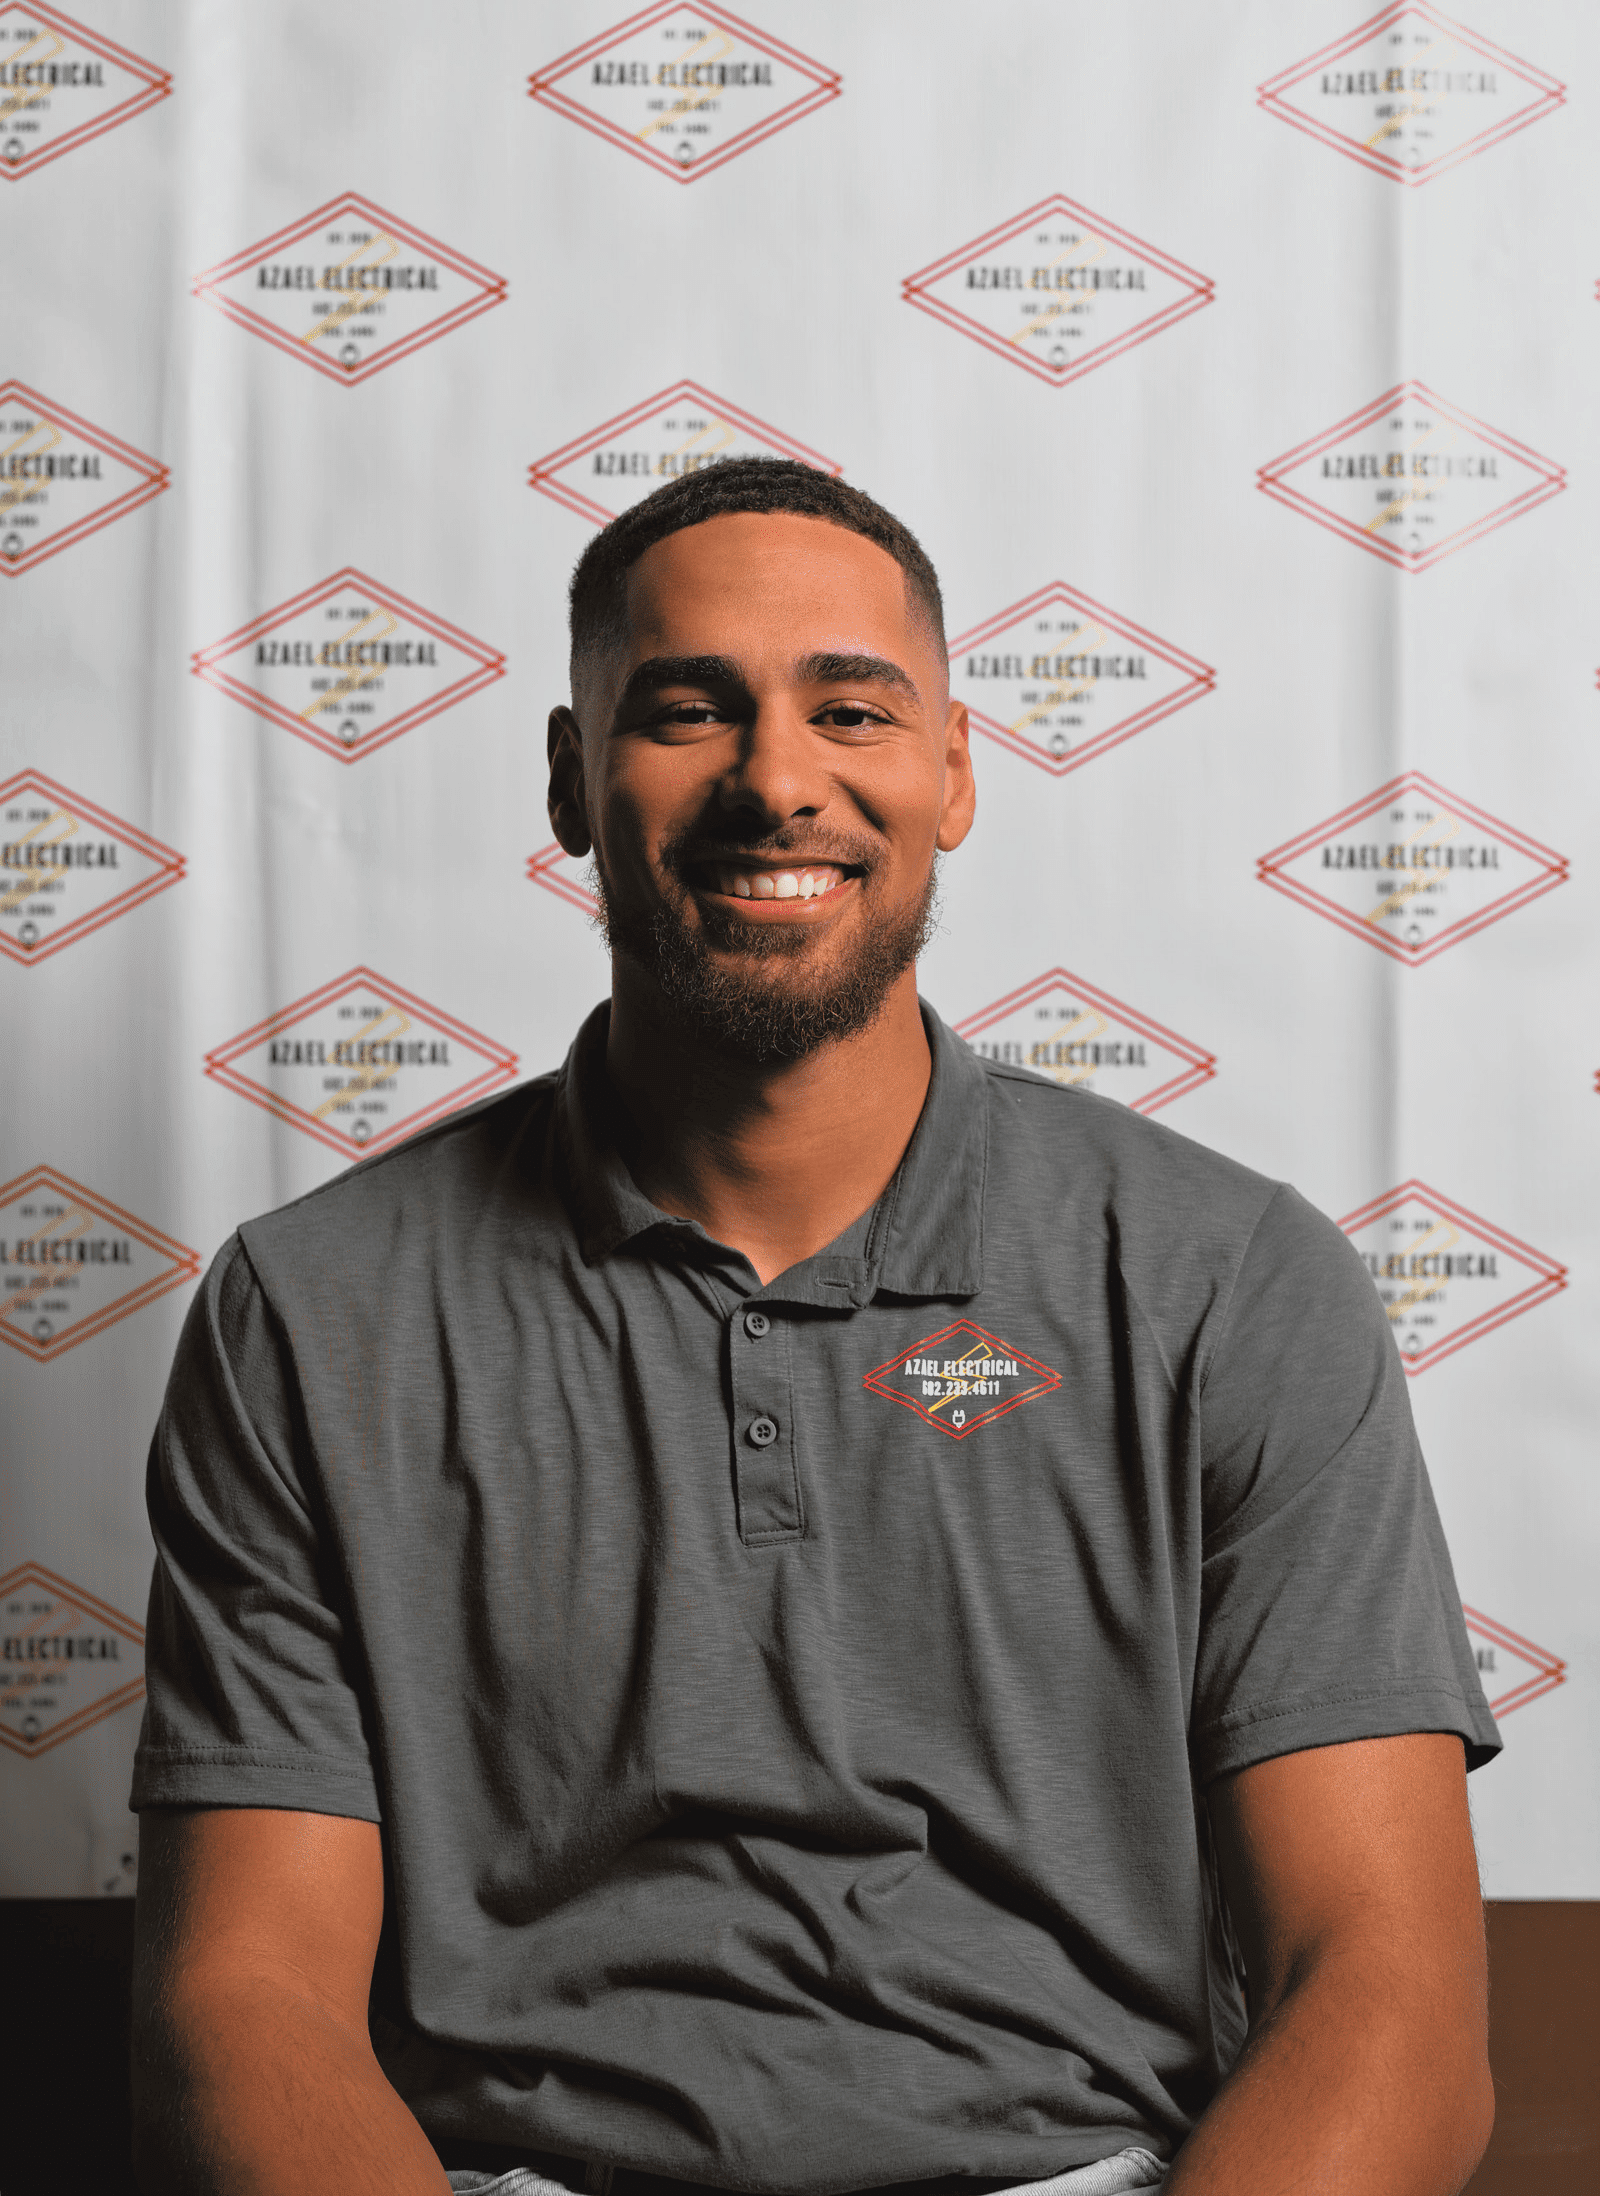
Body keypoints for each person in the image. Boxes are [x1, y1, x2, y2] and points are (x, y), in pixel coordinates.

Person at [129, 460, 1499, 2196]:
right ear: (569, 780)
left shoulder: (1231, 1281)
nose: (777, 781)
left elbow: (1387, 2000)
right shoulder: (315, 1313)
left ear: (954, 772)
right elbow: (242, 2000)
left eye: (851, 709)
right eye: (689, 710)